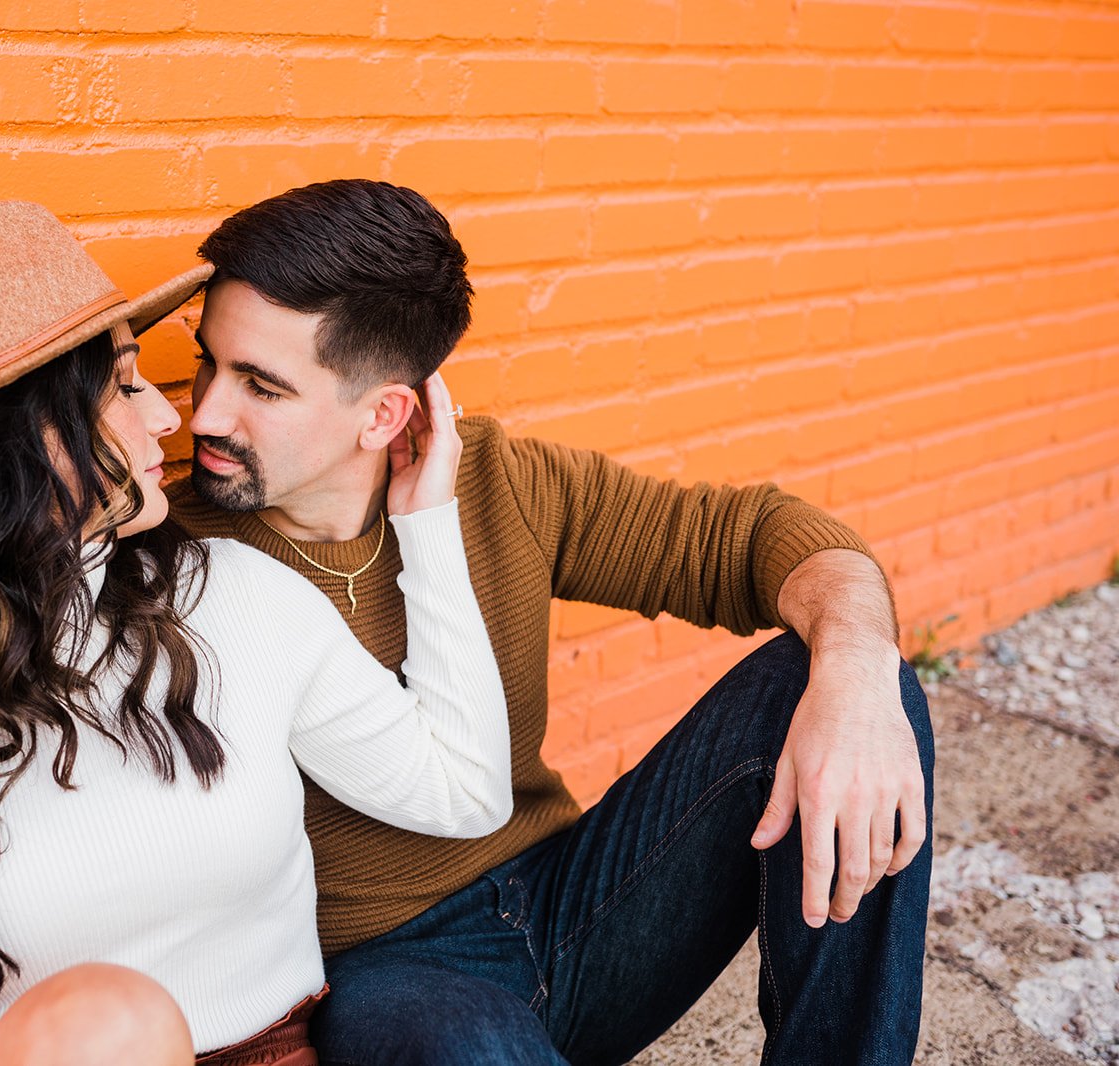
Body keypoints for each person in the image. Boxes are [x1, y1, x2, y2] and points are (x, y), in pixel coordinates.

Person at [165, 179, 935, 1065]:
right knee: (472, 1049)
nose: (205, 414)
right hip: (385, 975)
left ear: (385, 414)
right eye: (207, 364)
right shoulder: (172, 557)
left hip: (575, 901)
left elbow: (752, 537)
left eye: (261, 386)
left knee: (846, 688)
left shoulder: (499, 483)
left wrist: (859, 671)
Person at [0, 200, 515, 1066]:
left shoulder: (236, 597)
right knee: (109, 1023)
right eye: (123, 385)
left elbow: (463, 790)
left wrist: (429, 525)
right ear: (20, 439)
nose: (170, 419)